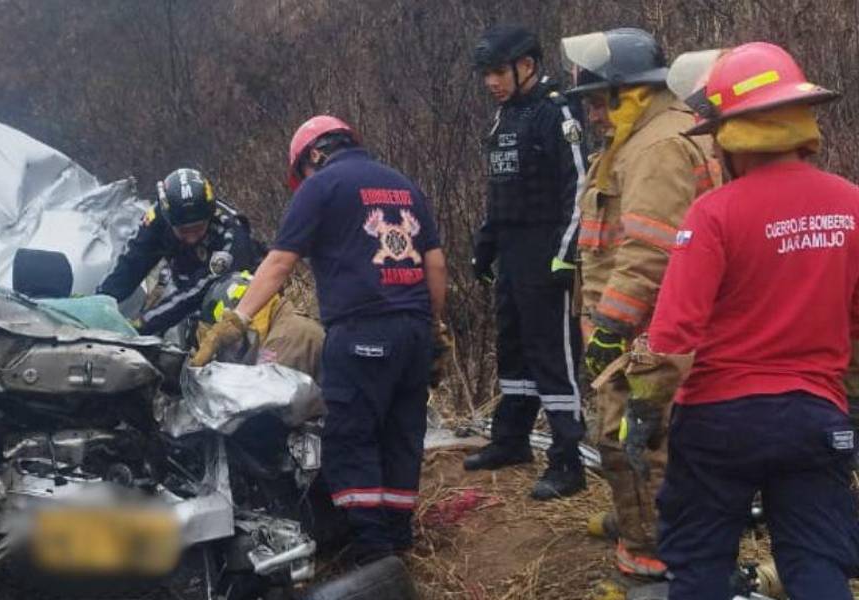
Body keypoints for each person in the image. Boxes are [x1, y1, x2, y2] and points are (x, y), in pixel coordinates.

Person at [622, 42, 859, 599]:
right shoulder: (851, 205)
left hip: (716, 424)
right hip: (815, 419)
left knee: (700, 565)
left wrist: (643, 409)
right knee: (817, 562)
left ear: (731, 136)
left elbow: (674, 332)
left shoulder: (714, 214)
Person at [192, 115, 450, 564]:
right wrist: (435, 330)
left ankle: (373, 551)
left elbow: (277, 265)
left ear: (313, 155)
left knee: (352, 437)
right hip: (413, 331)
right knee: (401, 433)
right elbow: (436, 265)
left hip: (361, 331)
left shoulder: (322, 186)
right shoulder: (403, 185)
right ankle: (399, 536)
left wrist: (234, 320)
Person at [561, 28, 721, 583]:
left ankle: (651, 552)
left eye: (597, 101)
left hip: (646, 335)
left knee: (632, 438)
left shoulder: (654, 149)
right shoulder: (647, 137)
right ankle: (649, 523)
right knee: (653, 439)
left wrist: (610, 326)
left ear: (628, 92)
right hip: (650, 328)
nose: (593, 116)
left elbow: (652, 251)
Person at [462, 24, 589, 501]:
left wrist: (565, 254)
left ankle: (567, 459)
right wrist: (485, 244)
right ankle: (511, 440)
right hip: (512, 253)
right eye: (485, 74)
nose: (490, 82)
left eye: (497, 72)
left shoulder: (557, 113)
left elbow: (577, 186)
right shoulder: (503, 118)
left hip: (546, 251)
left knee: (552, 356)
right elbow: (499, 191)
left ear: (527, 66)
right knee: (512, 348)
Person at [97, 168, 259, 336]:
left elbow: (198, 290)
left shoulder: (231, 233)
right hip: (185, 281)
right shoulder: (158, 218)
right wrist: (98, 302)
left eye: (197, 228)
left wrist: (141, 324)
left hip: (235, 298)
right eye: (183, 230)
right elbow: (130, 264)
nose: (191, 238)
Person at [193, 271, 324, 380]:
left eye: (230, 345)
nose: (232, 353)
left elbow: (267, 399)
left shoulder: (285, 337)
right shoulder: (281, 322)